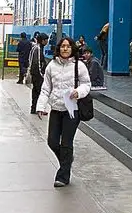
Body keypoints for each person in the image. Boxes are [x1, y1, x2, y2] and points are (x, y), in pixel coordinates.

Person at [36, 36, 92, 187]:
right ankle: (67, 160)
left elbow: (87, 84)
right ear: (58, 48)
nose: (65, 49)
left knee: (66, 143)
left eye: (67, 46)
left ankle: (63, 176)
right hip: (56, 108)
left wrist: (78, 92)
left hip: (72, 110)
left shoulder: (78, 66)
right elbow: (46, 88)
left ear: (72, 48)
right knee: (52, 141)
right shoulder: (51, 66)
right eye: (62, 46)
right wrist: (41, 106)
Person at [28, 33, 49, 114]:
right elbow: (38, 63)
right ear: (43, 40)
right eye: (46, 40)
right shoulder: (38, 49)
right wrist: (42, 75)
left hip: (35, 74)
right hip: (38, 75)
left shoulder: (36, 48)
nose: (47, 41)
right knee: (40, 92)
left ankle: (34, 108)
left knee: (36, 91)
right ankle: (39, 109)